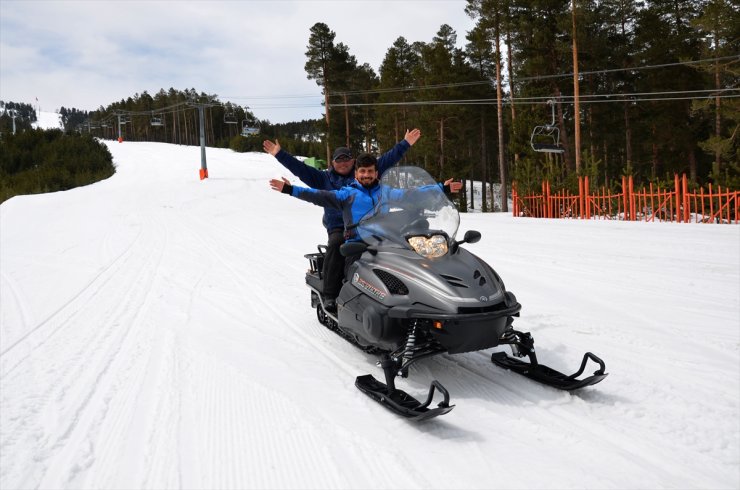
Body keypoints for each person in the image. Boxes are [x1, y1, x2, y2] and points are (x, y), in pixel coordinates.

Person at [269, 153, 461, 310]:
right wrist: (290, 189)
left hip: (385, 242)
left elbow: (411, 195)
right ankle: (333, 295)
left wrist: (441, 187)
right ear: (356, 174)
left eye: (370, 171)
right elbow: (317, 195)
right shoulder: (347, 194)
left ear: (376, 173)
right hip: (358, 243)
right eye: (362, 171)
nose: (366, 175)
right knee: (348, 263)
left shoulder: (385, 192)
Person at [263, 130, 421, 310]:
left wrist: (405, 143)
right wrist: (280, 154)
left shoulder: (364, 172)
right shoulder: (323, 178)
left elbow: (388, 158)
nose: (343, 163)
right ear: (333, 163)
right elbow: (300, 169)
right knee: (337, 243)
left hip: (371, 224)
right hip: (339, 226)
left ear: (353, 162)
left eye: (347, 159)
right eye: (339, 160)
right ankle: (330, 293)